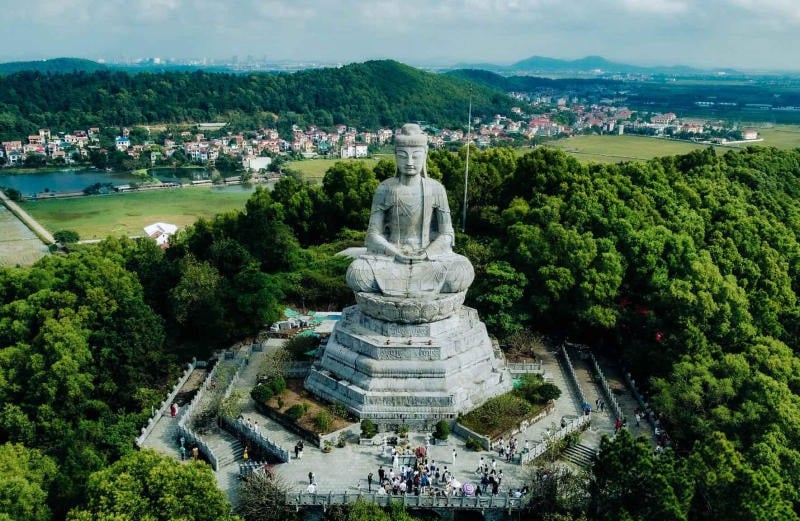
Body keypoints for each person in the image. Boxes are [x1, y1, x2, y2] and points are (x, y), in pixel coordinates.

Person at [346, 123, 474, 300]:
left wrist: (426, 253)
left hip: (428, 259)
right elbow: (372, 235)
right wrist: (395, 252)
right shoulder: (385, 189)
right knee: (358, 272)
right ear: (395, 156)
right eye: (403, 156)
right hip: (392, 259)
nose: (410, 162)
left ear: (425, 154)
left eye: (416, 156)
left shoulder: (436, 189)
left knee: (461, 271)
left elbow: (447, 235)